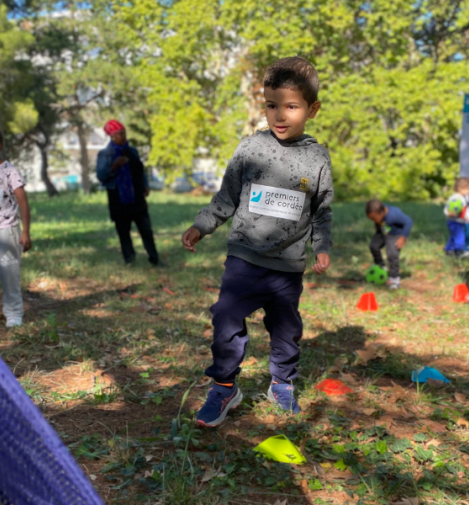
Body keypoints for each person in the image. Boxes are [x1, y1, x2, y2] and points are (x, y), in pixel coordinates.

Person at [182, 57, 334, 427]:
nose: (279, 115)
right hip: (244, 259)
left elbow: (322, 211)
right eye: (271, 105)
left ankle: (282, 383)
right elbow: (226, 198)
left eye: (291, 106)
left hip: (287, 267)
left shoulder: (317, 158)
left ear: (312, 109)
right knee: (225, 314)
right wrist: (202, 226)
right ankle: (224, 386)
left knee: (286, 327)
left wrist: (322, 246)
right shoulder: (250, 149)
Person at [96, 120, 160, 266]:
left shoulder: (132, 151)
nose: (123, 136)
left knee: (146, 230)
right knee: (124, 232)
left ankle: (154, 258)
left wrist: (145, 184)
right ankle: (130, 260)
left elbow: (139, 169)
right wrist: (114, 166)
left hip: (136, 196)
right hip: (118, 198)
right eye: (119, 134)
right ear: (112, 136)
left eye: (124, 132)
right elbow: (101, 176)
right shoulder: (105, 154)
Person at [0, 131, 32, 327]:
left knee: (9, 271)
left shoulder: (9, 171)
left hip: (7, 229)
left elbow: (23, 202)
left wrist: (25, 231)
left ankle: (13, 313)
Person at [365, 199, 413, 290]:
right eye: (371, 219)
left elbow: (408, 221)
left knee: (392, 254)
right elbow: (379, 223)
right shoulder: (378, 213)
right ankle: (381, 266)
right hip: (383, 232)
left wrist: (403, 237)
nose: (373, 221)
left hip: (395, 235)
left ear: (382, 213)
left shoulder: (394, 215)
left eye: (374, 219)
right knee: (374, 246)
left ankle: (395, 279)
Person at [443, 178, 469, 258]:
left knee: (453, 236)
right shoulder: (455, 198)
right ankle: (459, 252)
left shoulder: (464, 197)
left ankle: (448, 250)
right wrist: (449, 213)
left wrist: (467, 216)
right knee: (460, 237)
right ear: (460, 188)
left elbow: (466, 208)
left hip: (460, 221)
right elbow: (447, 209)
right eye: (468, 189)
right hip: (454, 221)